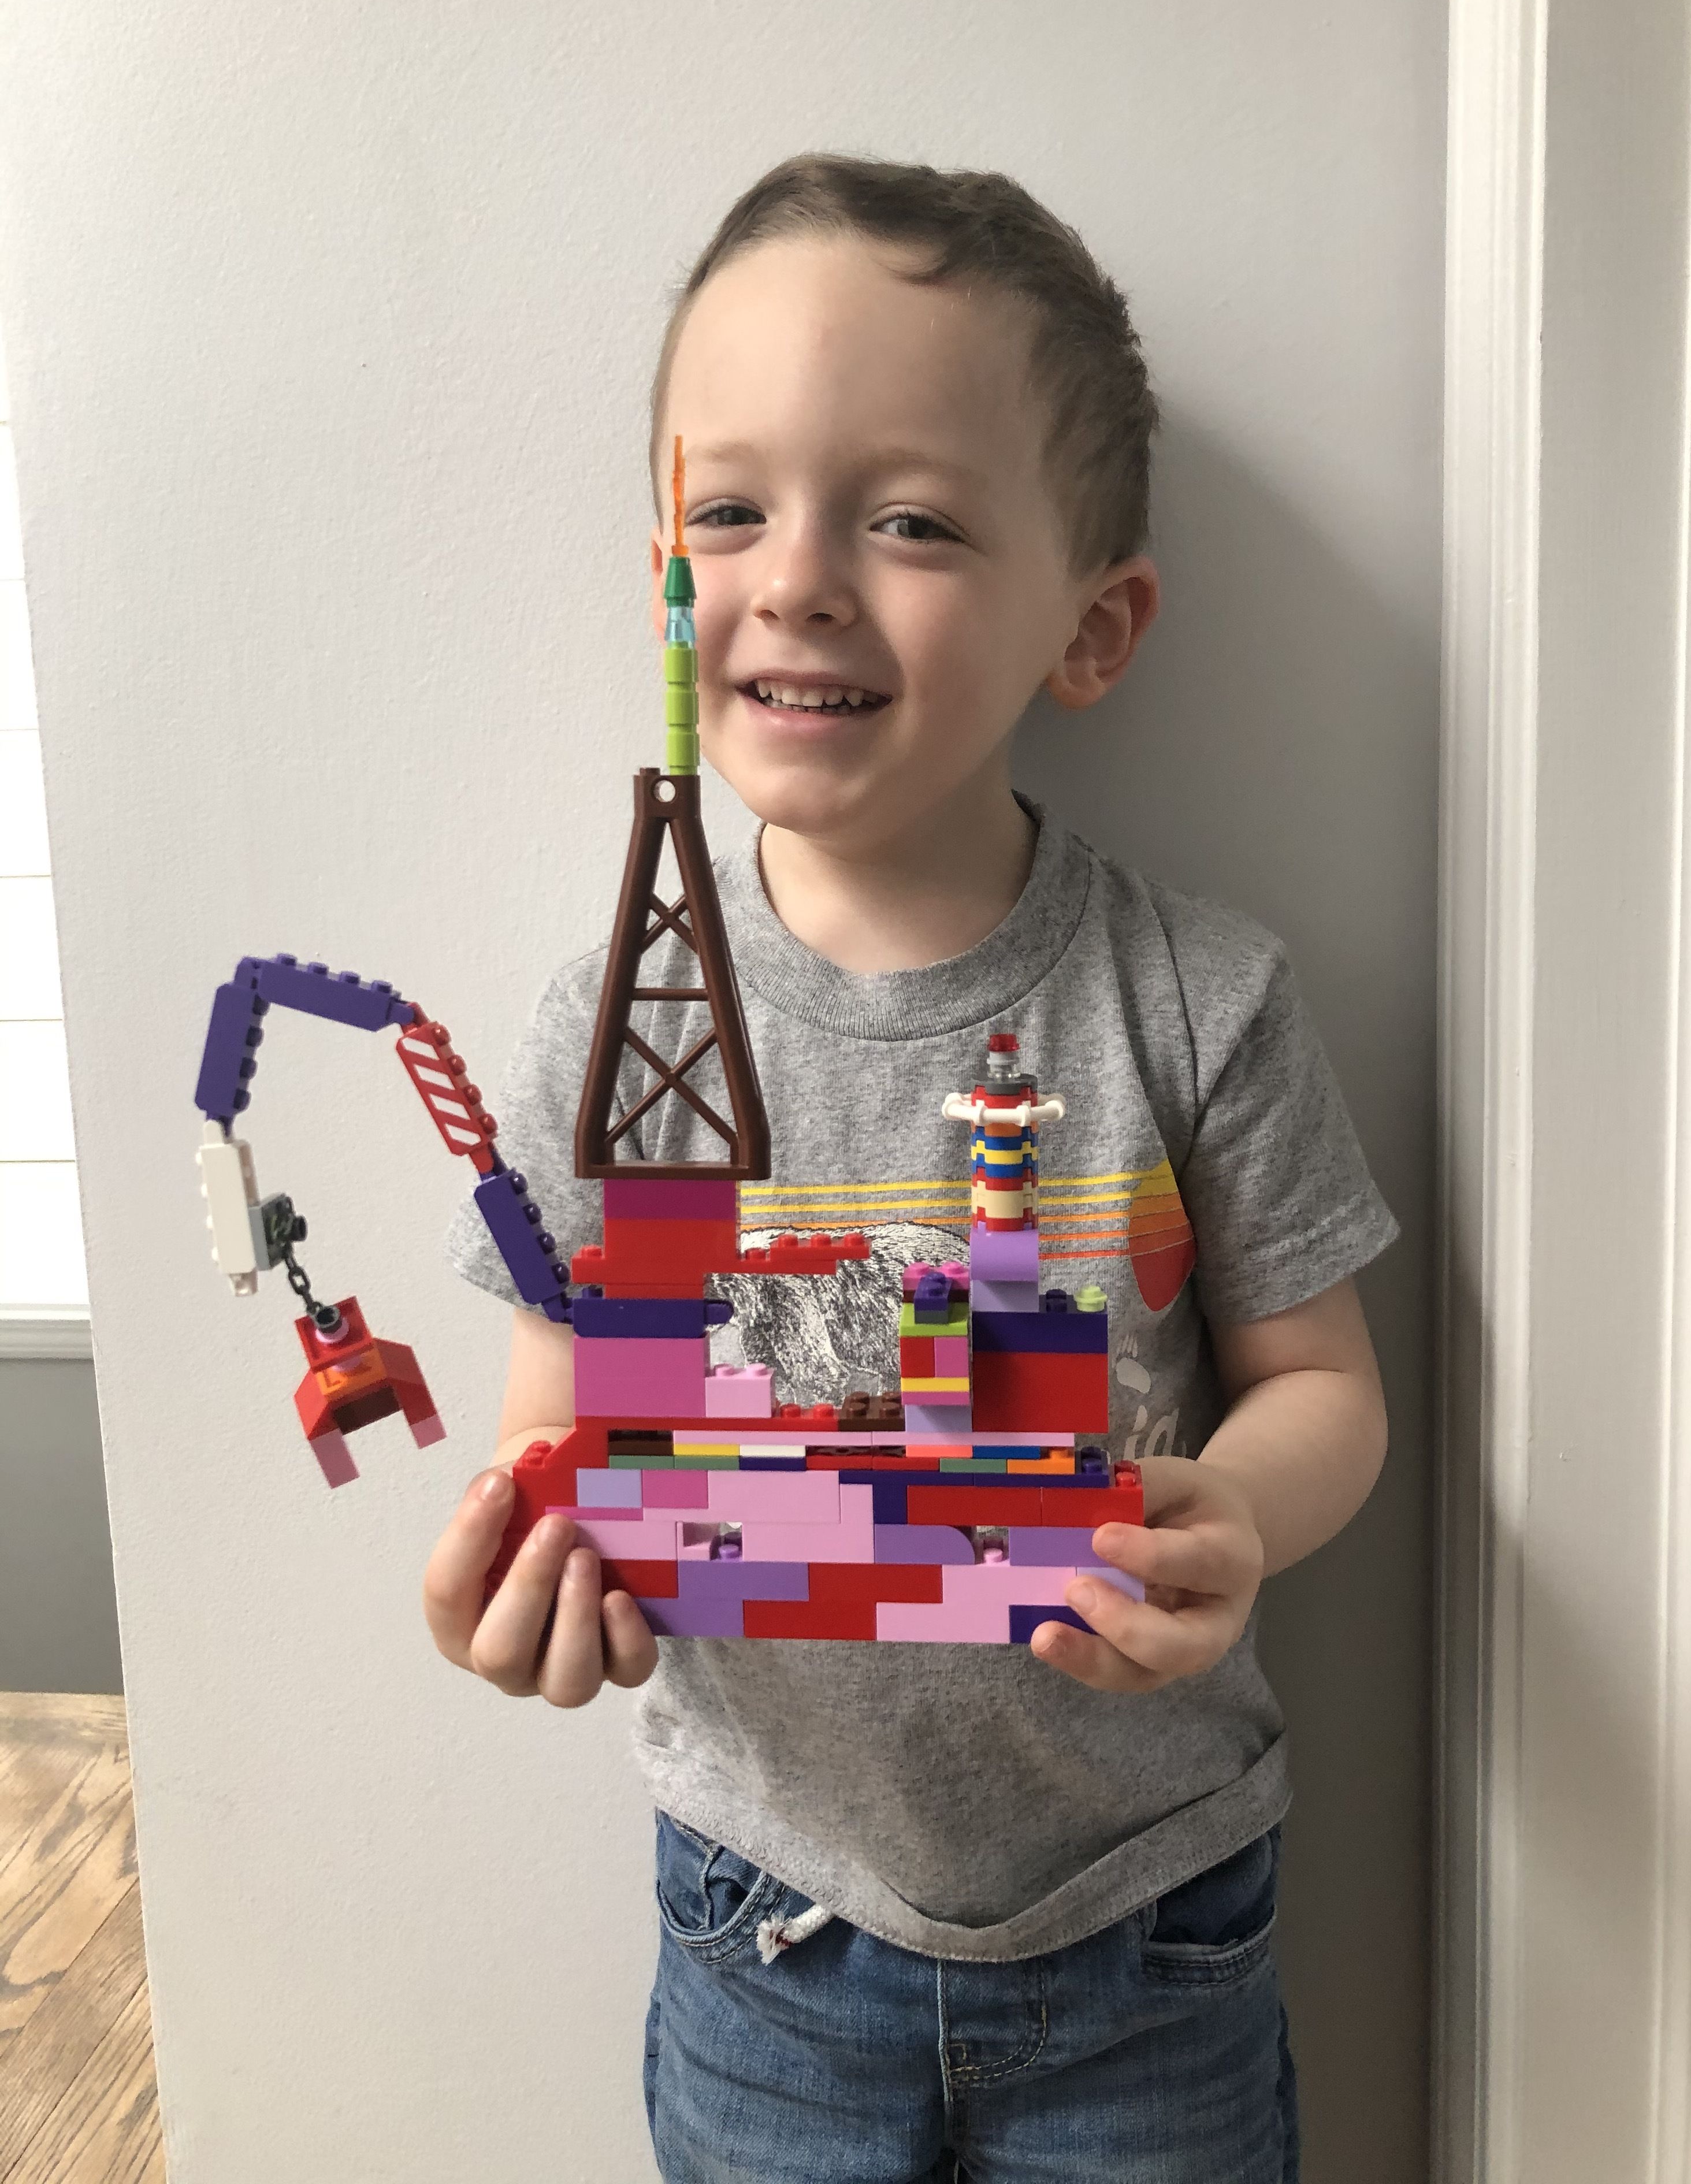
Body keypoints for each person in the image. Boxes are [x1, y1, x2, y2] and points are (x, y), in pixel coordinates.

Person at [423, 154, 1398, 2184]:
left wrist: (1237, 1512)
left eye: (916, 520)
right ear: (668, 572)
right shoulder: (610, 1016)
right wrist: (542, 1565)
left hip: (1154, 1928)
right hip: (764, 1927)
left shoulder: (1198, 1002)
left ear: (1096, 626)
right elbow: (569, 1420)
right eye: (728, 509)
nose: (794, 577)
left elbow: (1328, 1388)